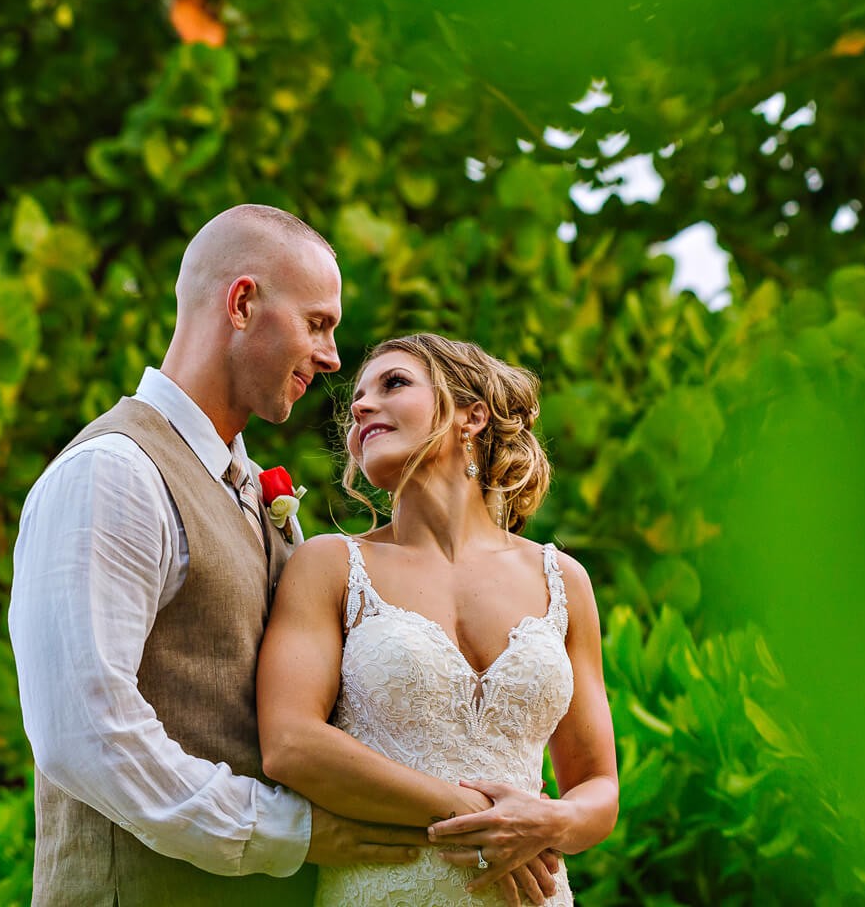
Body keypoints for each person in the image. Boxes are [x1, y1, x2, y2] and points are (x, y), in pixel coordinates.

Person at [9, 205, 428, 906]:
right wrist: (290, 832)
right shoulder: (113, 473)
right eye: (317, 323)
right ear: (242, 304)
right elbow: (85, 734)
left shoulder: (253, 493)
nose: (332, 356)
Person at [256, 333, 620, 906]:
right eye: (357, 399)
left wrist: (548, 823)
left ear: (471, 416)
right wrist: (481, 817)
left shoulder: (563, 579)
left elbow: (598, 787)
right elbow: (290, 743)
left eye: (394, 383)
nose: (359, 407)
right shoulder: (330, 564)